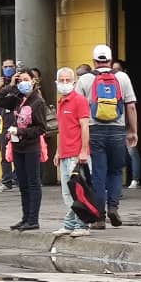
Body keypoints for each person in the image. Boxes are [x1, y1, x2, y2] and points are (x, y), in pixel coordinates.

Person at [76, 44, 138, 229]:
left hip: (94, 131)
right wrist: (133, 131)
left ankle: (99, 217)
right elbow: (131, 106)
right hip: (117, 132)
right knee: (116, 172)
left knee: (99, 174)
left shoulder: (85, 79)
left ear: (94, 61)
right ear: (111, 60)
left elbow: (79, 110)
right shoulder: (123, 78)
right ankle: (113, 207)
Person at [0, 70, 48, 231]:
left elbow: (41, 128)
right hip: (17, 147)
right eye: (20, 80)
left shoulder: (37, 102)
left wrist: (21, 132)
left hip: (31, 146)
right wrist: (11, 86)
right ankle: (25, 217)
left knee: (33, 182)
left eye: (26, 80)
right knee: (23, 183)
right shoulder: (17, 99)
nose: (23, 83)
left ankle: (33, 219)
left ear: (33, 81)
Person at [52, 67, 92, 236]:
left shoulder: (79, 101)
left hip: (76, 155)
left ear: (74, 82)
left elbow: (84, 126)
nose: (65, 83)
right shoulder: (62, 102)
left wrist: (83, 151)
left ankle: (82, 226)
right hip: (65, 154)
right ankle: (70, 224)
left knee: (78, 193)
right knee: (68, 194)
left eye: (68, 80)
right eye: (62, 80)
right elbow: (63, 130)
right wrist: (57, 151)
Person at [0, 58, 18, 192]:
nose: (8, 69)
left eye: (10, 66)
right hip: (4, 123)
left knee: (19, 153)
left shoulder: (19, 83)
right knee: (5, 153)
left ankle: (17, 178)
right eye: (5, 66)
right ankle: (6, 181)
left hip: (18, 124)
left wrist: (13, 84)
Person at [113, 60, 141, 188]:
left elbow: (131, 107)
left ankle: (135, 179)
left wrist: (133, 128)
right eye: (113, 69)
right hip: (115, 123)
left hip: (123, 123)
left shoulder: (124, 83)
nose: (115, 72)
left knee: (131, 152)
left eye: (117, 69)